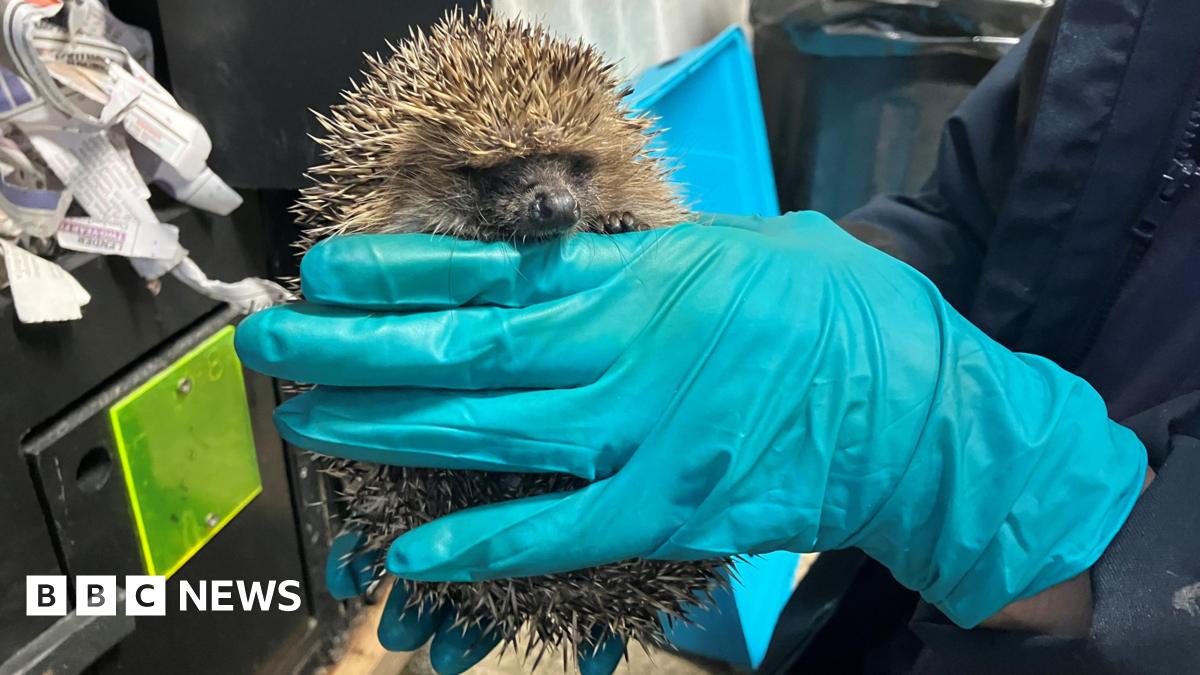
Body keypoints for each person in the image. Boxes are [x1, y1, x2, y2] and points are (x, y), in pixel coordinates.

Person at [235, 0, 1200, 673]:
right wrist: (808, 292)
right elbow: (982, 220)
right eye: (495, 177)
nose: (551, 201)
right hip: (895, 613)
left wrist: (961, 453)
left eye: (574, 168)